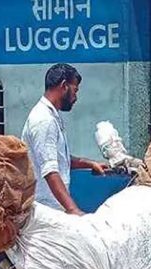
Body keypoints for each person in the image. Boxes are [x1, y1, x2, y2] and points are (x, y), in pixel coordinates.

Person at [21, 63, 108, 215]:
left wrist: (90, 164)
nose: (76, 97)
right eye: (75, 90)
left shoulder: (52, 116)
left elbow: (58, 158)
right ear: (64, 86)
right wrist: (73, 210)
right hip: (45, 210)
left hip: (52, 207)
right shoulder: (44, 120)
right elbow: (50, 170)